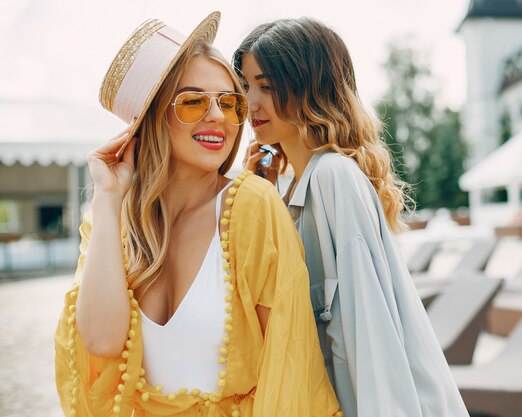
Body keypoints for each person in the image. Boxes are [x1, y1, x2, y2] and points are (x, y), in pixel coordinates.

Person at [55, 13, 341, 417]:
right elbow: (100, 342)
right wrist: (106, 196)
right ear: (151, 116)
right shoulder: (112, 222)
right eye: (193, 102)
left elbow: (289, 366)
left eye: (229, 102)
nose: (218, 117)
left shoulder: (251, 207)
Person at [234, 18, 469, 417]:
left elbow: (371, 325)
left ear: (309, 86)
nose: (250, 103)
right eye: (245, 86)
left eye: (267, 86)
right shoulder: (297, 184)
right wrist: (266, 195)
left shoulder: (333, 177)